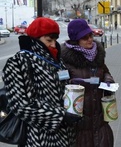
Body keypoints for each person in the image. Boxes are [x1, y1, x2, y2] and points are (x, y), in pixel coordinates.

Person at [2, 17, 81, 147]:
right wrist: (60, 116)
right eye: (49, 40)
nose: (53, 44)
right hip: (39, 139)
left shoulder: (57, 61)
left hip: (66, 137)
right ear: (35, 39)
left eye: (55, 40)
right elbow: (21, 105)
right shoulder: (19, 62)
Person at [61, 19, 115, 147]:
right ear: (75, 40)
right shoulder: (66, 60)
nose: (90, 39)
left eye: (90, 35)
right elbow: (60, 86)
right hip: (79, 124)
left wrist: (108, 80)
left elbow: (105, 71)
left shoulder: (98, 55)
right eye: (84, 38)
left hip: (99, 119)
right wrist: (71, 83)